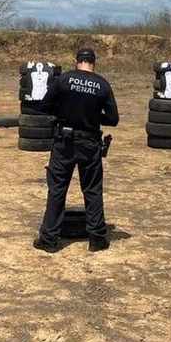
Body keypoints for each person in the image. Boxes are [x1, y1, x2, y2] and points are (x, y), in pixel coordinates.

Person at [33, 48, 119, 253]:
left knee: (57, 190)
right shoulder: (102, 84)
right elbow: (113, 119)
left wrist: (63, 112)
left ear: (76, 61)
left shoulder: (63, 80)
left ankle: (49, 240)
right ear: (94, 63)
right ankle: (97, 239)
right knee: (92, 190)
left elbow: (44, 106)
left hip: (64, 142)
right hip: (90, 143)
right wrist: (93, 117)